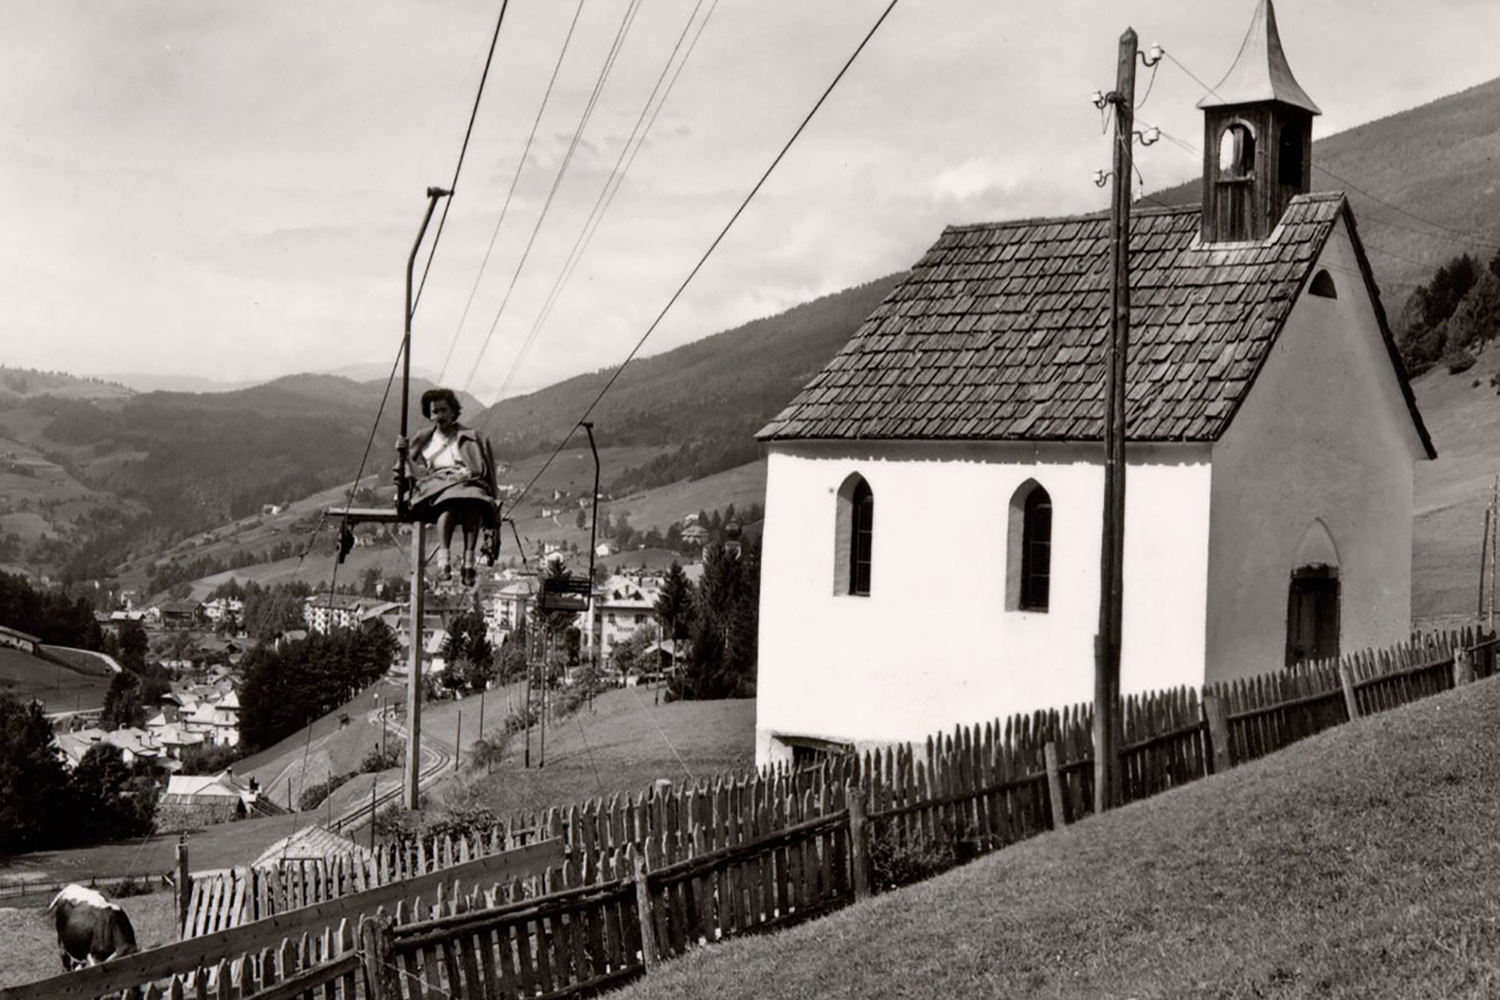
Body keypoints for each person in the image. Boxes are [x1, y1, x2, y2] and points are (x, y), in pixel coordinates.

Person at [396, 387, 498, 585]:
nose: (440, 416)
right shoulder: (425, 439)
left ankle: (468, 564)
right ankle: (444, 563)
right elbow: (412, 472)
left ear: (453, 412)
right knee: (448, 507)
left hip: (467, 481)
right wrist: (405, 455)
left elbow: (485, 469)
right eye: (435, 411)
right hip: (438, 485)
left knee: (474, 504)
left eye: (444, 410)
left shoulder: (471, 437)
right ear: (430, 415)